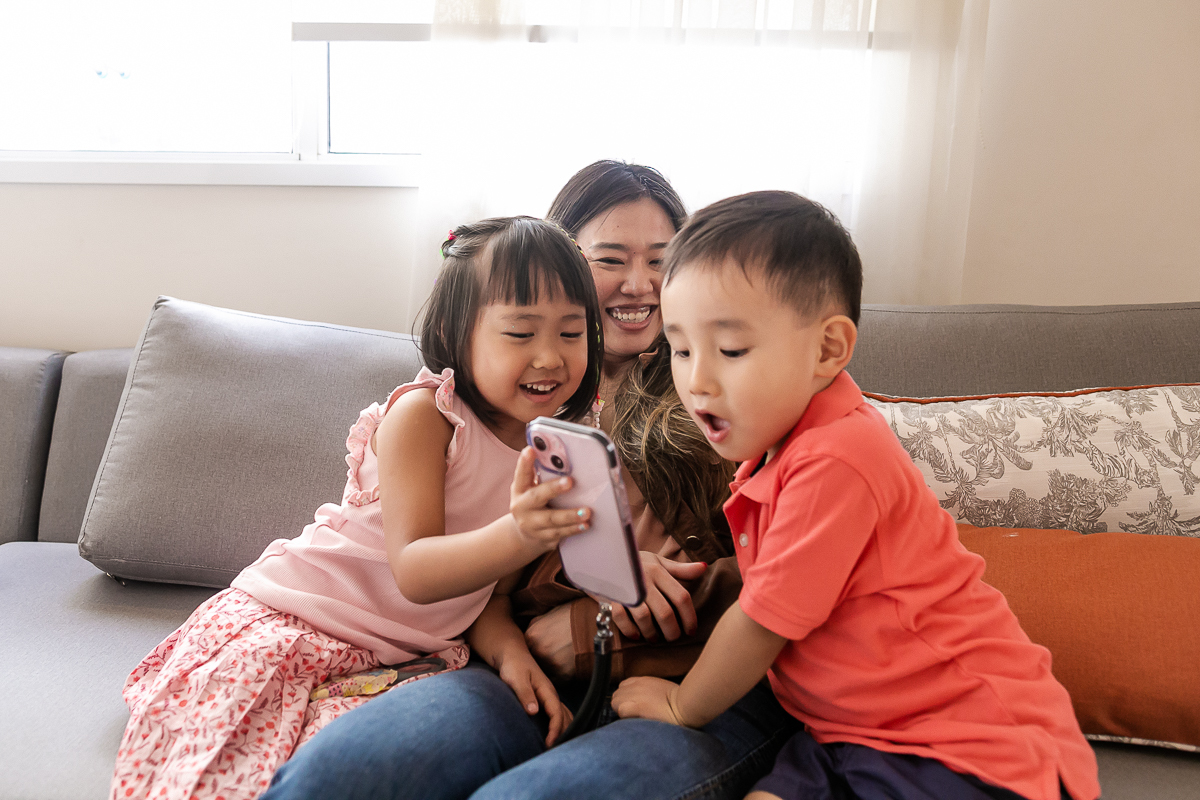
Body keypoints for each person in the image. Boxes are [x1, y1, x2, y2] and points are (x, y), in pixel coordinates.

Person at [261, 164, 800, 800]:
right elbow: (478, 581)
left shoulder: (734, 377)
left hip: (697, 682)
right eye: (610, 259)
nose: (640, 283)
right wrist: (532, 626)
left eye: (662, 260)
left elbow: (800, 565)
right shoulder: (503, 403)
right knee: (340, 776)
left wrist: (592, 615)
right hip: (521, 667)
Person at [611, 190, 1102, 800]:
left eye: (731, 350)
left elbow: (762, 622)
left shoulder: (838, 456)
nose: (697, 380)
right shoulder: (773, 448)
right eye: (682, 350)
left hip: (966, 740)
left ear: (828, 350)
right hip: (847, 734)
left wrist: (683, 706)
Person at [108, 216, 604, 800]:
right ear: (456, 332)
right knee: (221, 778)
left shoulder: (558, 445)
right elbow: (416, 568)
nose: (550, 356)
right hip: (297, 621)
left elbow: (487, 596)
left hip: (391, 659)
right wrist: (519, 534)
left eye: (572, 332)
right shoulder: (430, 416)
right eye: (521, 333)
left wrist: (511, 652)